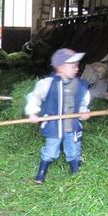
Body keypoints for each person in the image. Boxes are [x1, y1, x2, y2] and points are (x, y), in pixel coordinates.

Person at [25, 48, 91, 184]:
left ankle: (75, 172)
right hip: (54, 125)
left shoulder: (80, 85)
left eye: (77, 65)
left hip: (72, 125)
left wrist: (84, 112)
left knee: (73, 149)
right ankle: (41, 173)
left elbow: (84, 101)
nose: (77, 69)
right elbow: (34, 97)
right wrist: (32, 112)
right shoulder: (47, 84)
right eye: (73, 66)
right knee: (50, 149)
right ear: (60, 68)